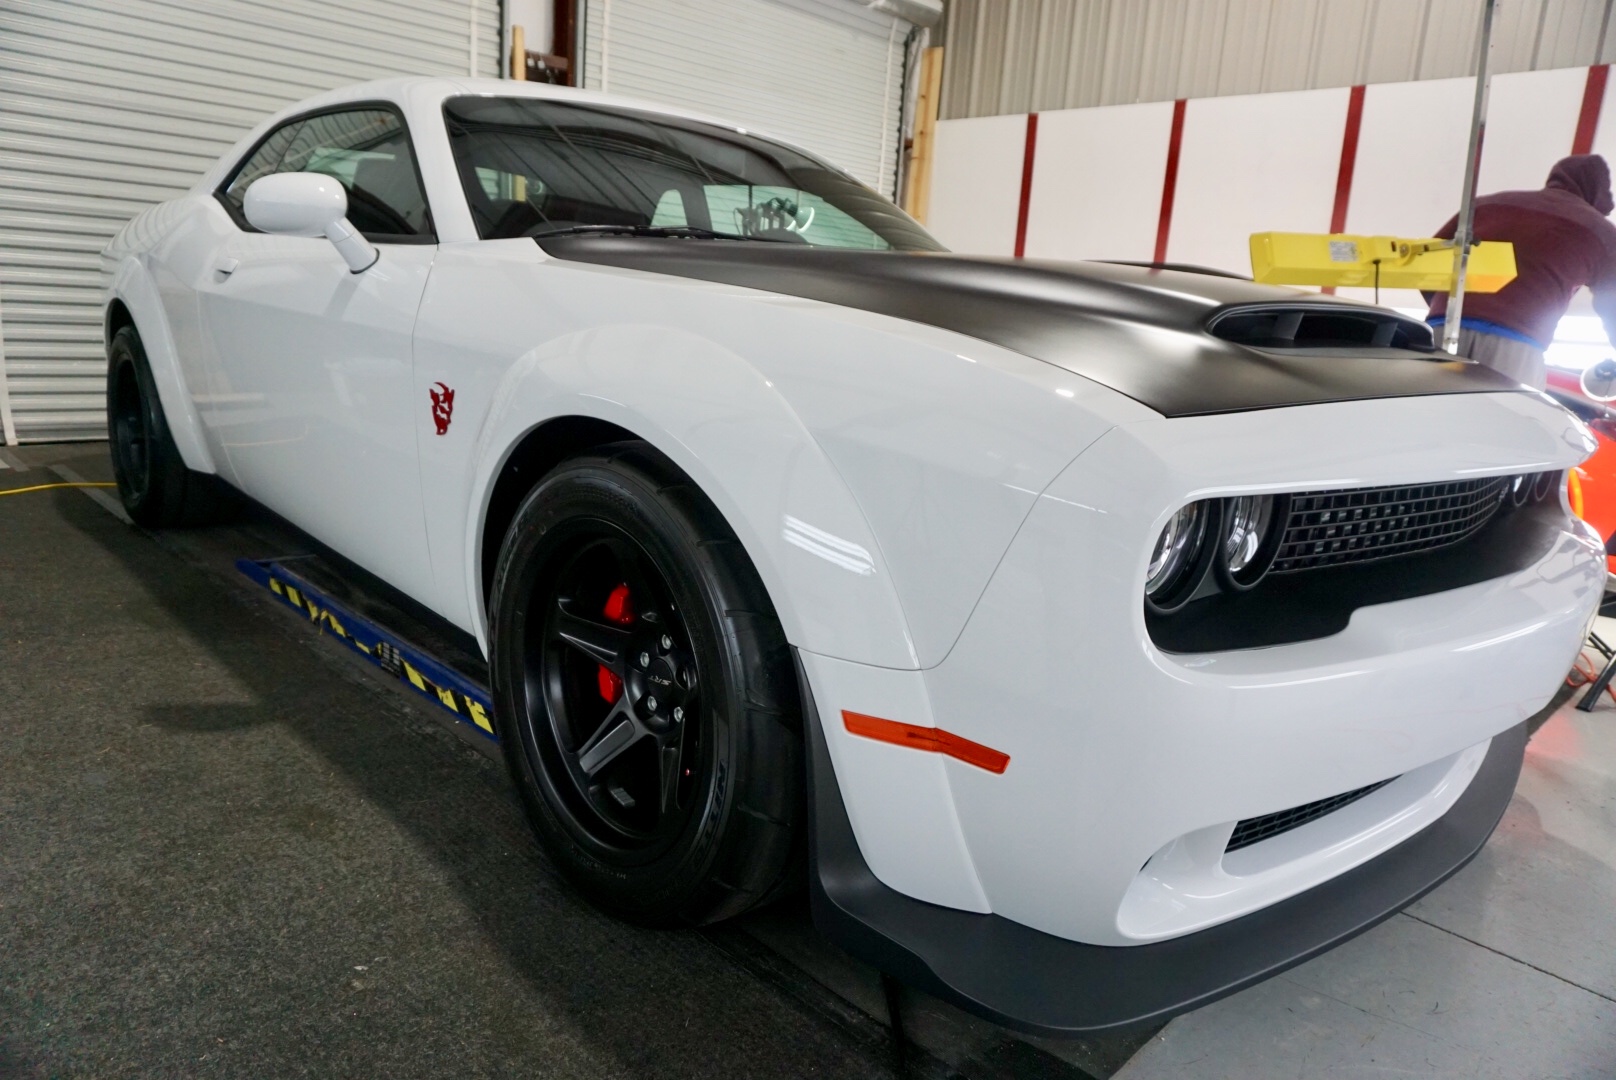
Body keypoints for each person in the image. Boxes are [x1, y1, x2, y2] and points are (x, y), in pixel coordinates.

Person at [1426, 154, 1616, 391]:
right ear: (1599, 197)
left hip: (1442, 326)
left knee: (1423, 414)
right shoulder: (1600, 230)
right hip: (1516, 342)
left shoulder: (1487, 204)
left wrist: (1445, 309)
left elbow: (1429, 261)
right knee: (1500, 423)